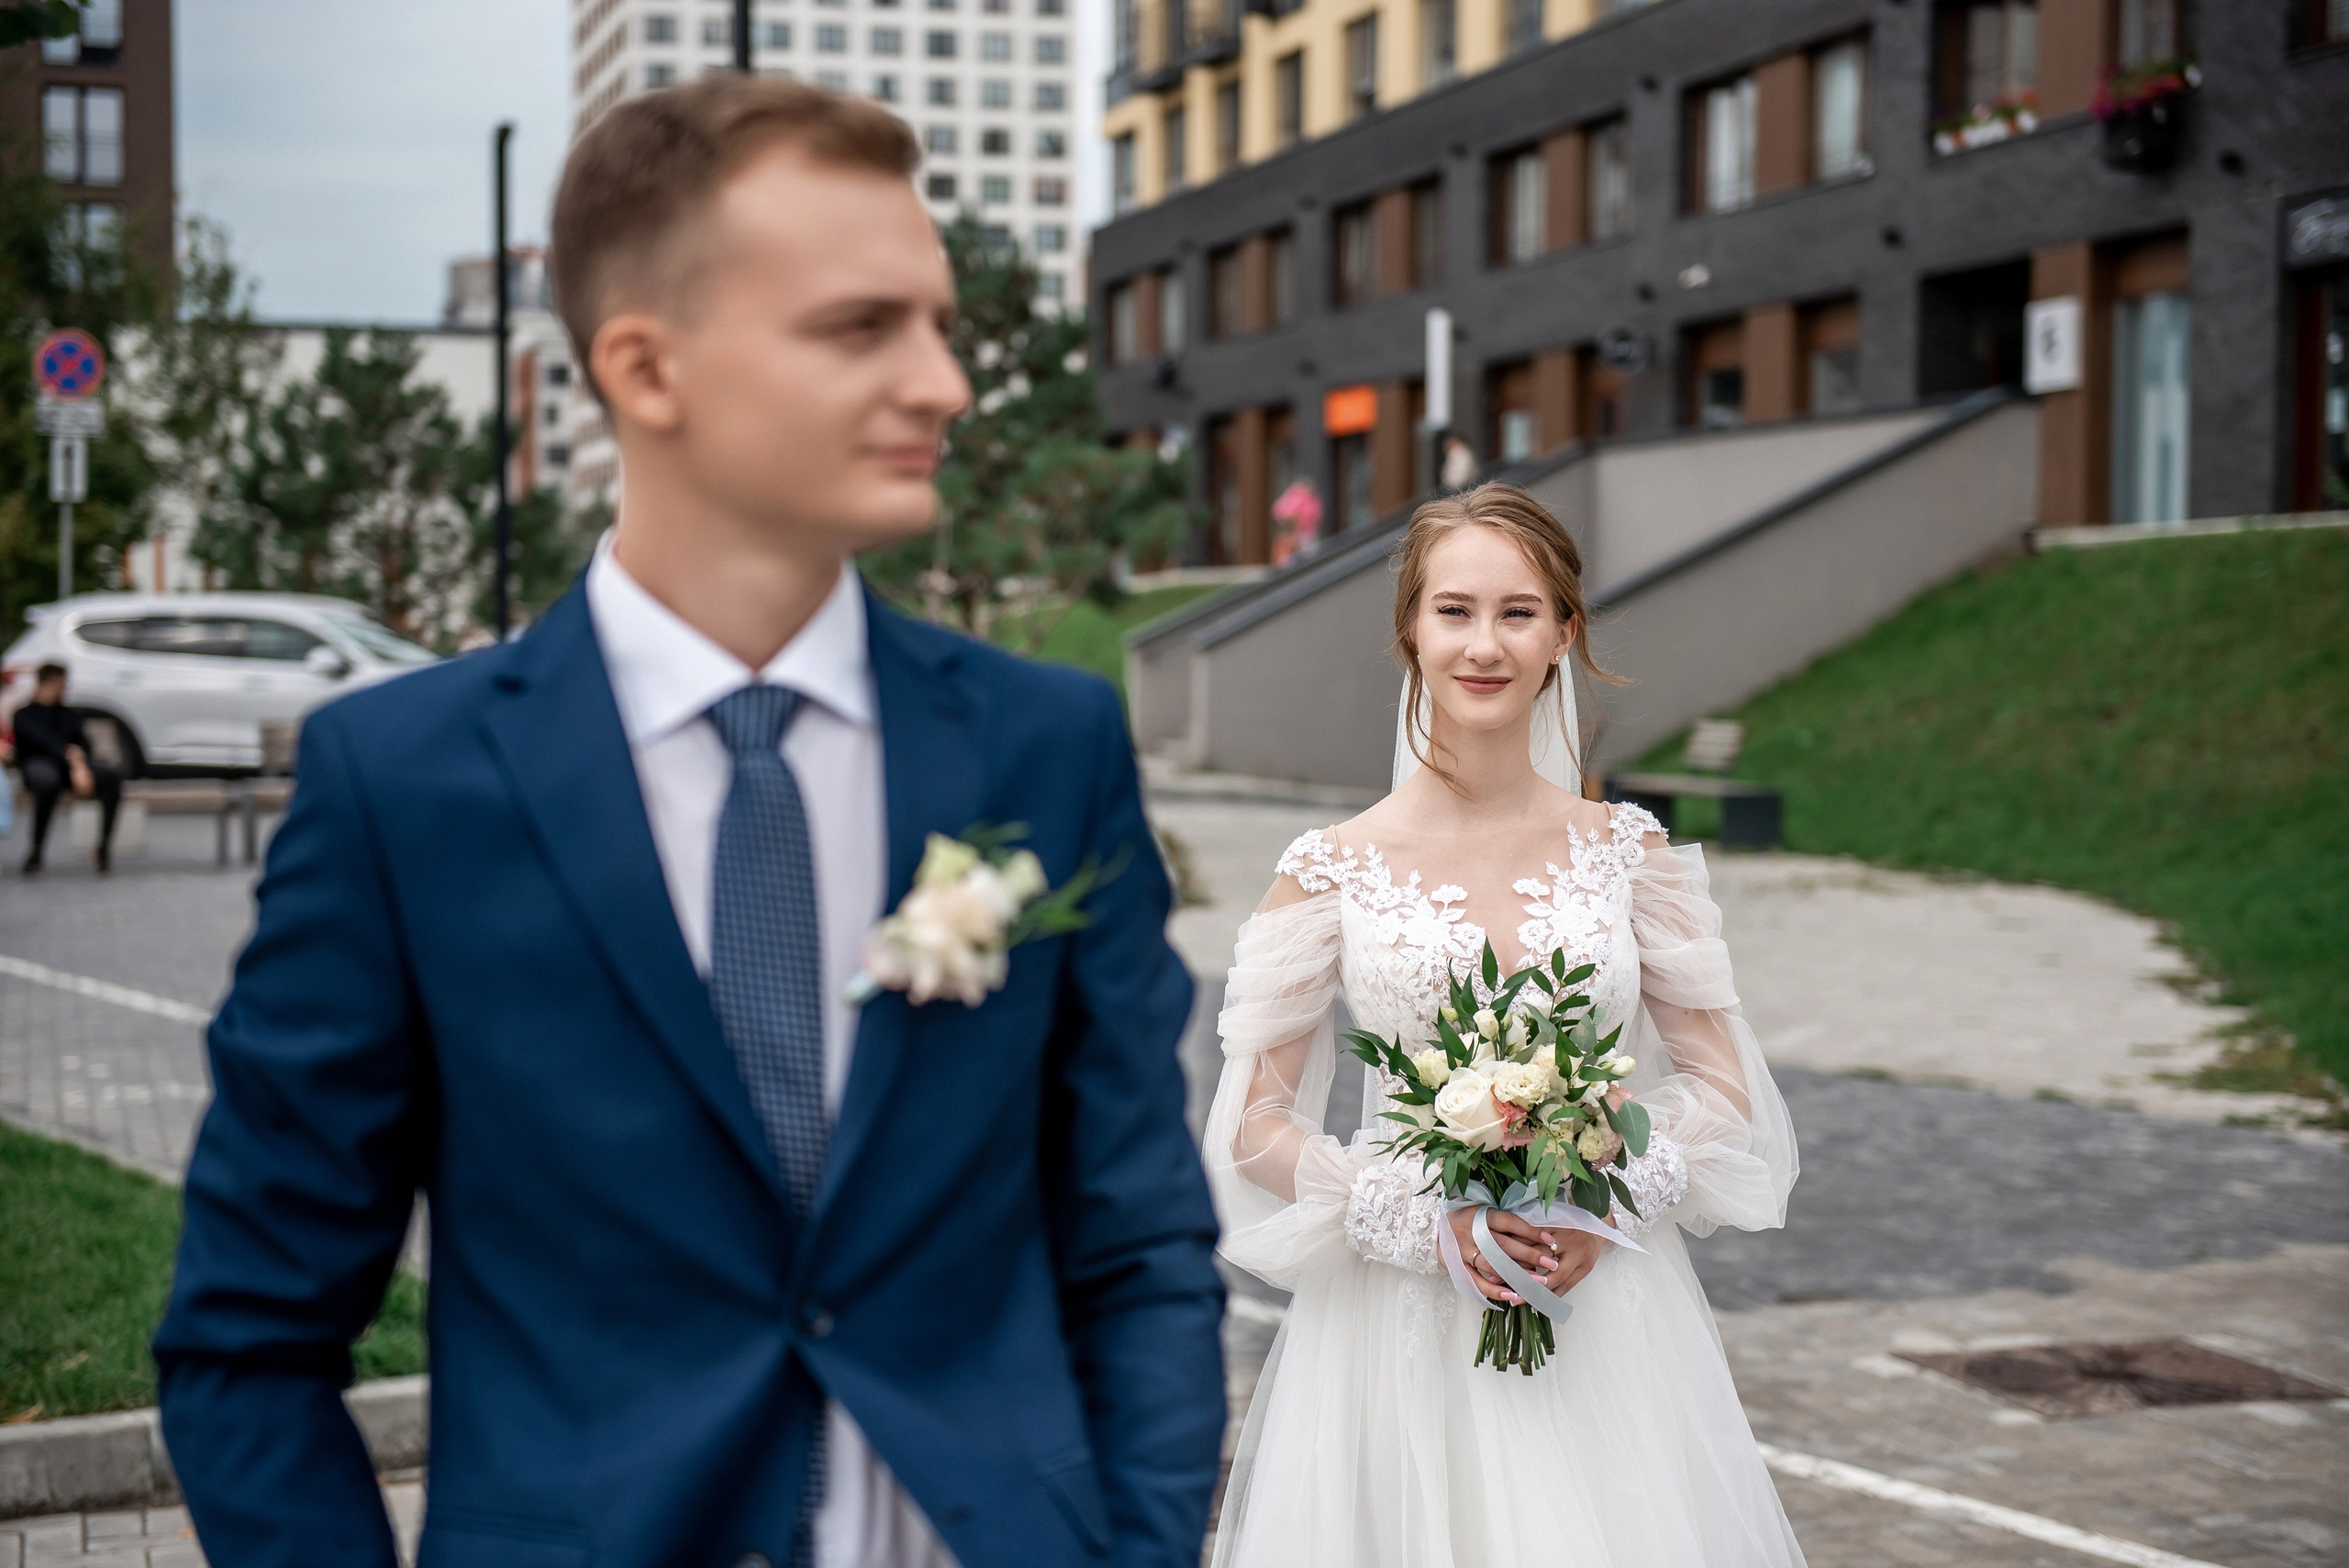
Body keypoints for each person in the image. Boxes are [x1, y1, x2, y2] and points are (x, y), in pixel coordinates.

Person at [153, 79, 1225, 1568]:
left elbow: (1138, 1241)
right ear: (646, 369)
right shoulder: (400, 786)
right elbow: (250, 1340)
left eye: (939, 322)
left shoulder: (1045, 746)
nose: (944, 383)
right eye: (863, 327)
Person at [1203, 482, 1803, 1567]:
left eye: (1518, 612)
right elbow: (1252, 1121)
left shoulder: (1631, 852)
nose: (1484, 644)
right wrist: (1421, 1216)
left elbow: (1723, 1084)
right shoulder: (1326, 868)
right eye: (1455, 610)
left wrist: (1611, 1192)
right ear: (1411, 631)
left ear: (1564, 634)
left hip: (1608, 1313)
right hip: (1393, 1331)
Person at [12, 662, 122, 874]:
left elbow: (84, 743)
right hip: (39, 766)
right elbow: (43, 742)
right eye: (60, 683)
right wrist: (74, 760)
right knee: (47, 782)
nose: (64, 688)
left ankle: (103, 848)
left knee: (110, 778)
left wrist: (80, 764)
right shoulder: (25, 715)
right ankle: (36, 851)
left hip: (71, 768)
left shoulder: (69, 713)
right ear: (46, 683)